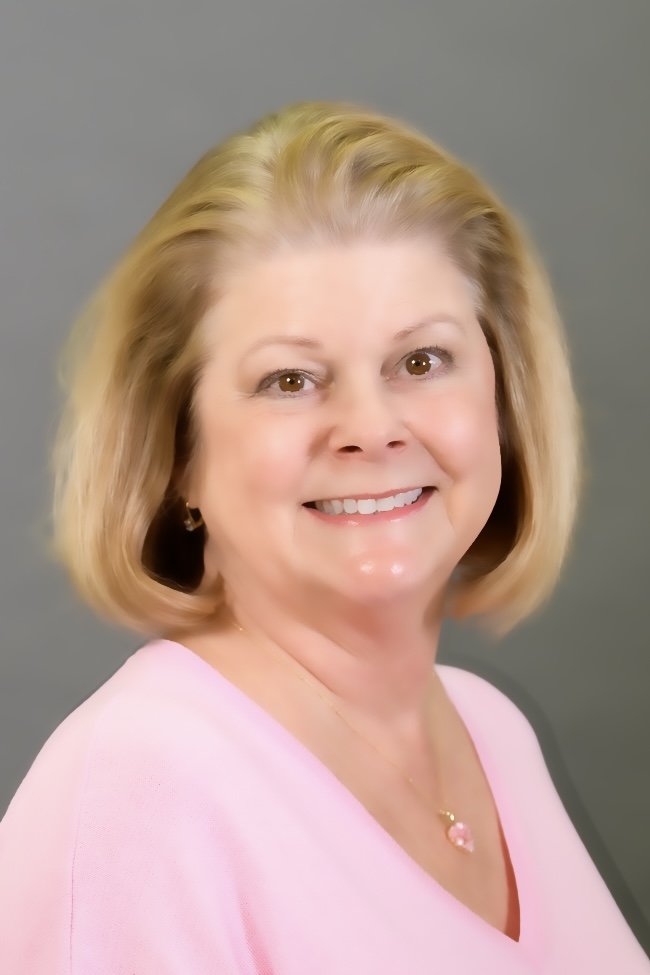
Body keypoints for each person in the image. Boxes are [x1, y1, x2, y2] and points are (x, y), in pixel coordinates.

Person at [0, 100, 646, 974]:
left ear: (503, 400)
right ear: (176, 453)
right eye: (290, 379)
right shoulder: (141, 793)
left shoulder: (492, 733)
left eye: (421, 361)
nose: (371, 429)